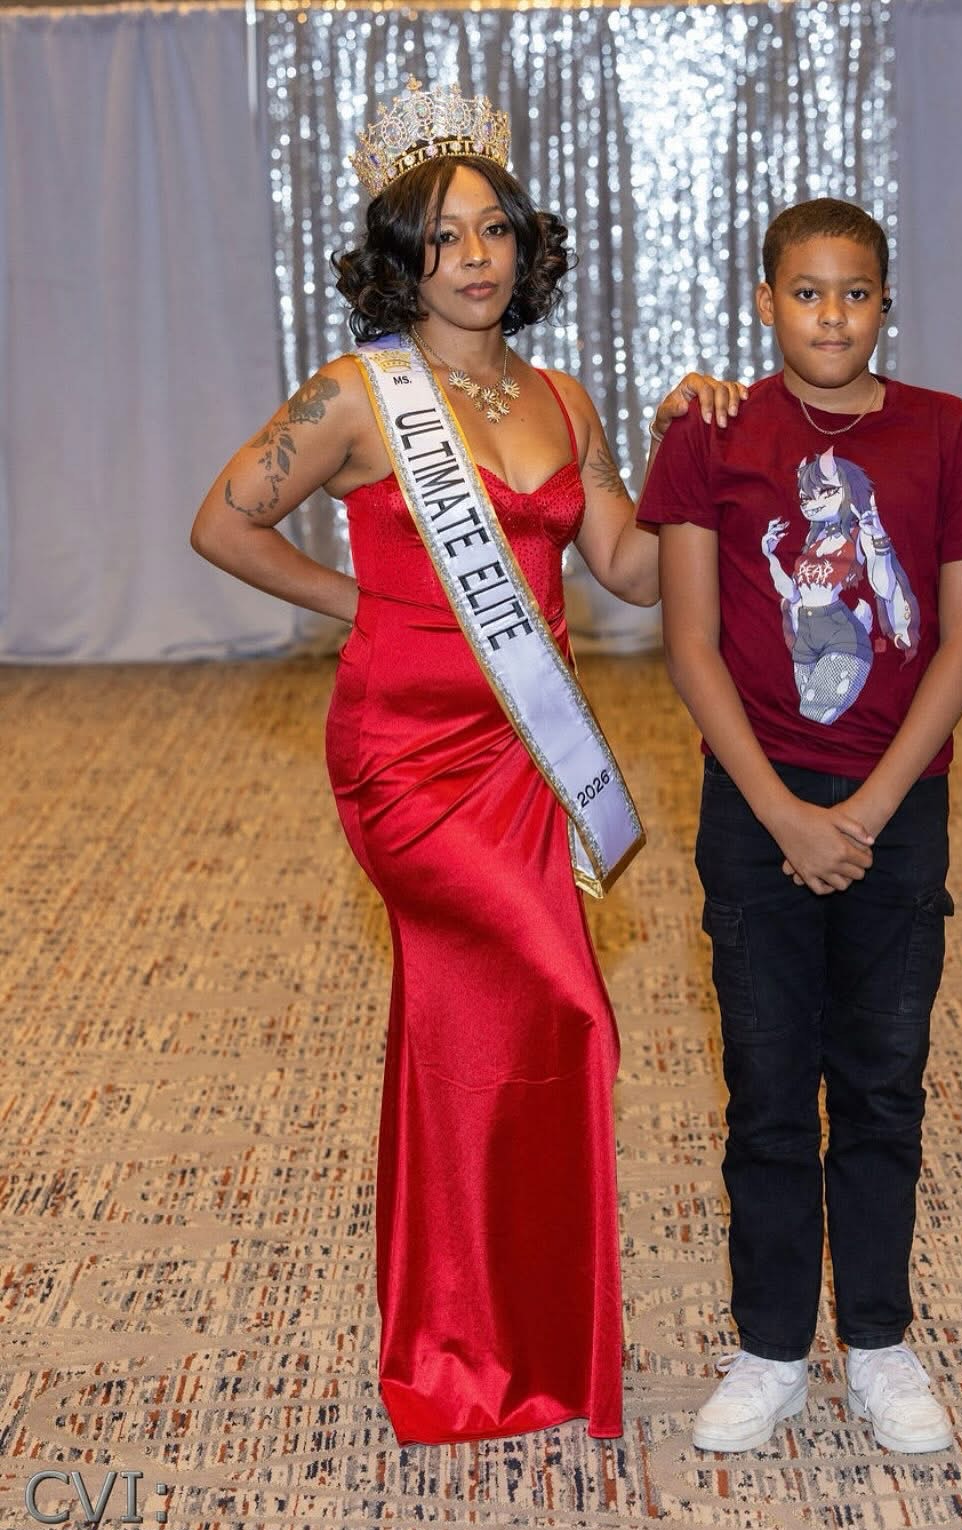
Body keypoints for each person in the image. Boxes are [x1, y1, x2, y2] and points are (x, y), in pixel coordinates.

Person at [190, 80, 744, 1445]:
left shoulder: (558, 396)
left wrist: (687, 451)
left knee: (481, 1033)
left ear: (525, 241)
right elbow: (224, 522)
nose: (475, 257)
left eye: (494, 228)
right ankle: (469, 1341)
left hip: (526, 759)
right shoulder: (356, 394)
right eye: (443, 237)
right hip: (407, 764)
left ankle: (503, 1343)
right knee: (566, 1003)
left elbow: (624, 567)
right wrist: (363, 607)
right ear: (403, 255)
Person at [637, 197, 962, 1455]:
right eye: (806, 292)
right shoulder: (711, 433)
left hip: (897, 808)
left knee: (880, 1079)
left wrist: (863, 810)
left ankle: (879, 1340)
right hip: (756, 806)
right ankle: (769, 1348)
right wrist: (784, 815)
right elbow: (690, 645)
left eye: (856, 293)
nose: (832, 316)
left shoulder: (949, 432)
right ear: (766, 302)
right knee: (764, 1087)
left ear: (886, 302)